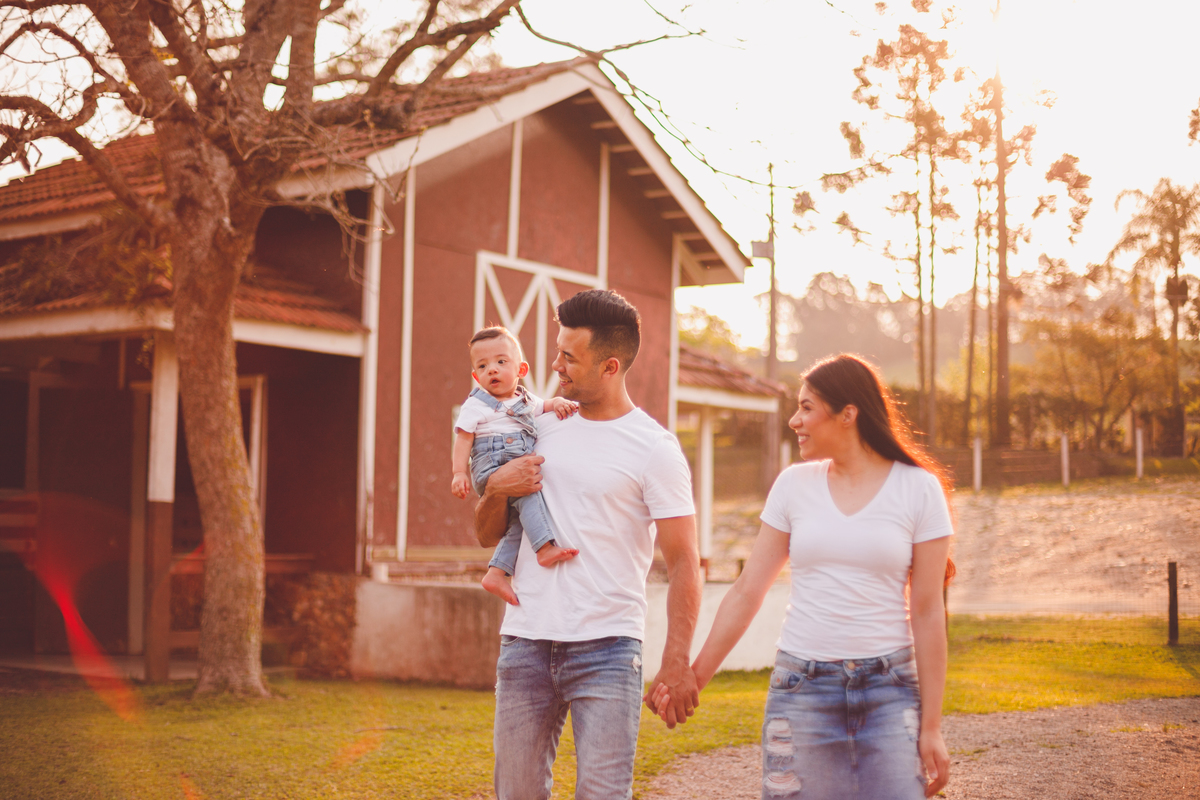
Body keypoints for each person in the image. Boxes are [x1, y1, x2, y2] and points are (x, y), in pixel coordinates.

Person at [650, 353, 954, 799]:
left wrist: (931, 727)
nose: (795, 420)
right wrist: (693, 677)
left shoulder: (918, 489)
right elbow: (747, 591)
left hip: (890, 693)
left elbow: (928, 613)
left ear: (848, 413)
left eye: (807, 407)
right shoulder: (793, 486)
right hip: (802, 691)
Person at [474, 289, 702, 800]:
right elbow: (488, 533)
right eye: (557, 351)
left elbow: (685, 562)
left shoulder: (654, 448)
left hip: (609, 649)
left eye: (569, 358)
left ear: (610, 366)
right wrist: (497, 487)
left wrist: (676, 659)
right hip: (525, 644)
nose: (554, 366)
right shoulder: (535, 426)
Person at [451, 326, 580, 605]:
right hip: (491, 466)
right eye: (483, 366)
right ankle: (544, 547)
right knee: (530, 493)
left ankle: (496, 573)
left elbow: (544, 405)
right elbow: (463, 439)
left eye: (501, 362)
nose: (492, 370)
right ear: (476, 376)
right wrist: (459, 472)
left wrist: (557, 402)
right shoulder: (475, 405)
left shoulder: (525, 400)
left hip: (514, 462)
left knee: (519, 521)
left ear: (521, 369)